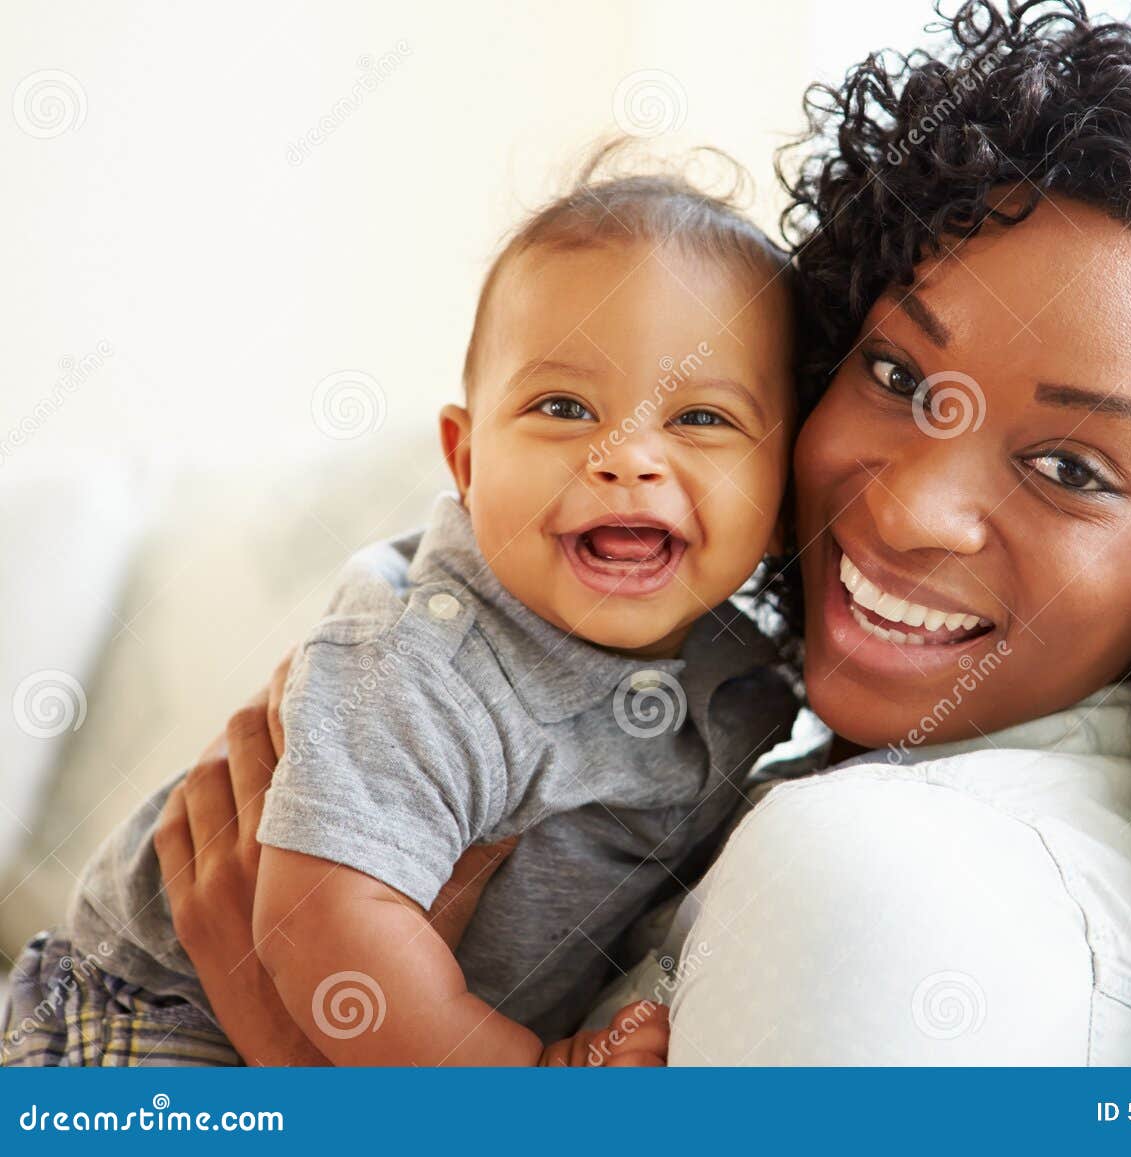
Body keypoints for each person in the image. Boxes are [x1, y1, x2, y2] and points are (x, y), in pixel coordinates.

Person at [73, 0, 1131, 1064]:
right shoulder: (744, 698)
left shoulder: (873, 879)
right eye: (894, 372)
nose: (912, 504)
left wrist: (294, 1052)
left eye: (1069, 463)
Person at [1, 166, 800, 1066]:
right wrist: (532, 1079)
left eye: (701, 417)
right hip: (143, 1019)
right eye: (564, 407)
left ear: (780, 500)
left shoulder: (742, 681)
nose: (627, 457)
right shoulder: (422, 657)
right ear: (465, 459)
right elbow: (329, 926)